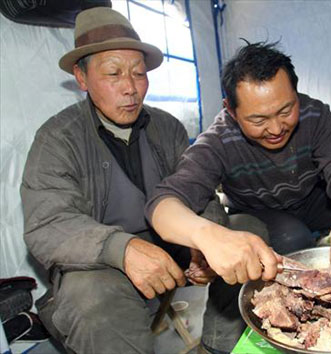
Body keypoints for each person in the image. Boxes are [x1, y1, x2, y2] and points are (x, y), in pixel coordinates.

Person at [146, 42, 331, 353]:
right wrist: (208, 237)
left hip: (313, 201)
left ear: (296, 93)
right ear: (231, 109)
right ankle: (261, 327)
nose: (276, 128)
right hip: (260, 213)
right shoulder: (219, 140)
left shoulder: (316, 115)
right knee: (288, 235)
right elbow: (162, 204)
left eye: (286, 110)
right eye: (258, 120)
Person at [20, 7, 224, 353]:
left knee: (247, 232)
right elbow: (47, 224)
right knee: (92, 300)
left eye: (139, 73)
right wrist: (123, 249)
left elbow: (201, 193)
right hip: (101, 270)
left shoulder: (167, 127)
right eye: (113, 73)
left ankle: (220, 344)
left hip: (170, 260)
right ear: (81, 78)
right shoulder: (57, 138)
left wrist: (204, 243)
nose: (130, 88)